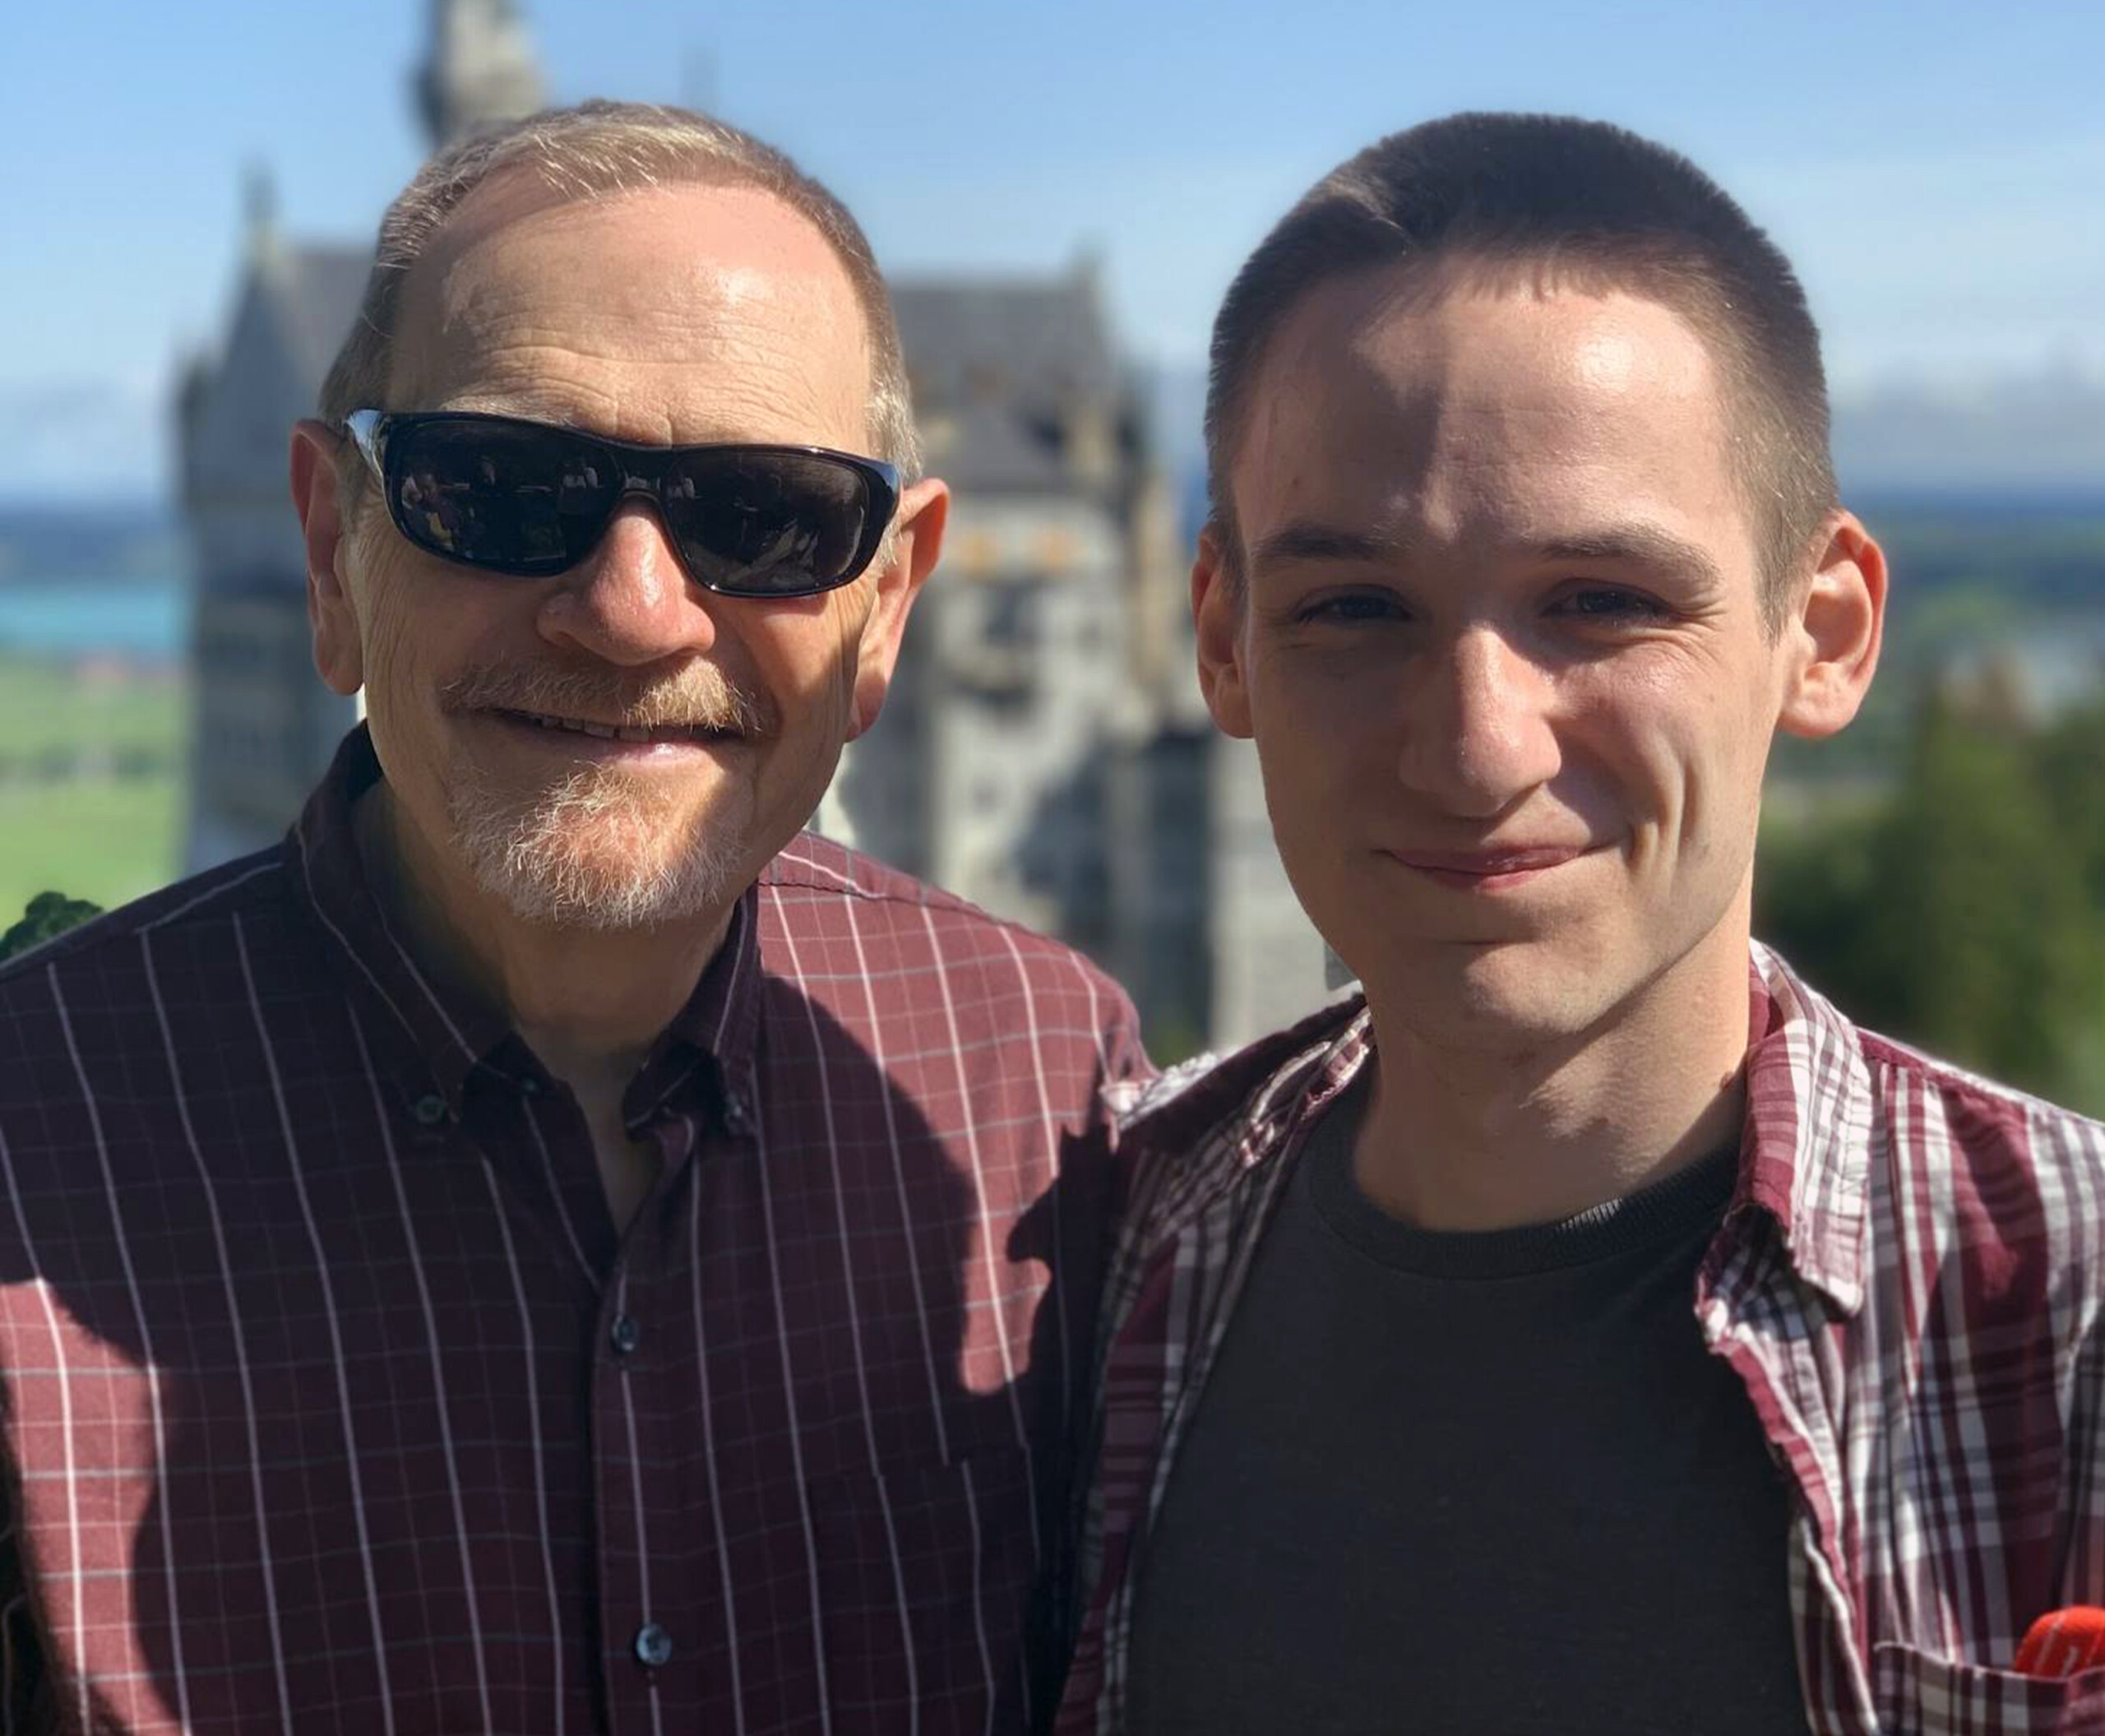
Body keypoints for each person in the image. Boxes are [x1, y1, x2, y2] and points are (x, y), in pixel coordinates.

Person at [0, 101, 1145, 1735]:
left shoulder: (1040, 1080)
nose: (627, 608)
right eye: (499, 485)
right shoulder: (36, 1130)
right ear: (333, 549)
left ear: (886, 605)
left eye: (762, 516)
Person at [1058, 113, 2105, 1735]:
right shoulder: (1092, 1260)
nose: (1474, 747)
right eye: (1353, 610)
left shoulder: (2062, 1312)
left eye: (1601, 601)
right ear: (1222, 646)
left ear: (1816, 637)